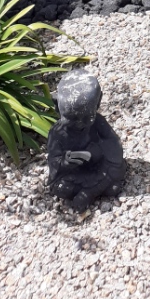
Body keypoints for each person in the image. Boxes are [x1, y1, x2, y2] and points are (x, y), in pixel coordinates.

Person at [47, 70, 125, 211]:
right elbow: (53, 161)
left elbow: (114, 144)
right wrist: (64, 162)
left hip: (99, 168)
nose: (79, 124)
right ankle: (92, 192)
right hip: (74, 174)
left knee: (115, 170)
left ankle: (87, 194)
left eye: (86, 118)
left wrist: (97, 151)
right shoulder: (57, 133)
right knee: (61, 188)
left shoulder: (98, 122)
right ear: (56, 106)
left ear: (98, 102)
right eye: (71, 119)